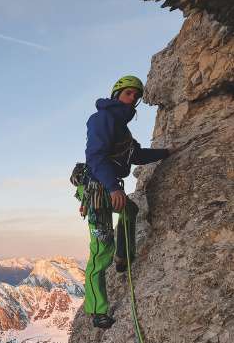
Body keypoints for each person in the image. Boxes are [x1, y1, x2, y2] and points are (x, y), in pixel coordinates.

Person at [74, 75, 174, 329]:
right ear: (117, 94)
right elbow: (95, 156)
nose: (133, 99)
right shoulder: (102, 119)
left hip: (108, 188)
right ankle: (98, 312)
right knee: (100, 250)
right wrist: (113, 187)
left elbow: (136, 155)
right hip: (99, 191)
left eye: (136, 96)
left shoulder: (122, 128)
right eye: (129, 93)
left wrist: (166, 153)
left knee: (130, 211)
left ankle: (123, 257)